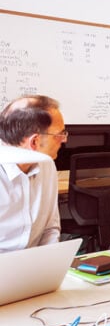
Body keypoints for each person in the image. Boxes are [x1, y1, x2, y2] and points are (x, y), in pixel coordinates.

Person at [0, 95, 68, 252]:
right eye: (60, 134)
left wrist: (47, 264)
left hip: (36, 266)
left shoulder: (47, 165)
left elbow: (50, 228)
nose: (64, 140)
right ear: (35, 142)